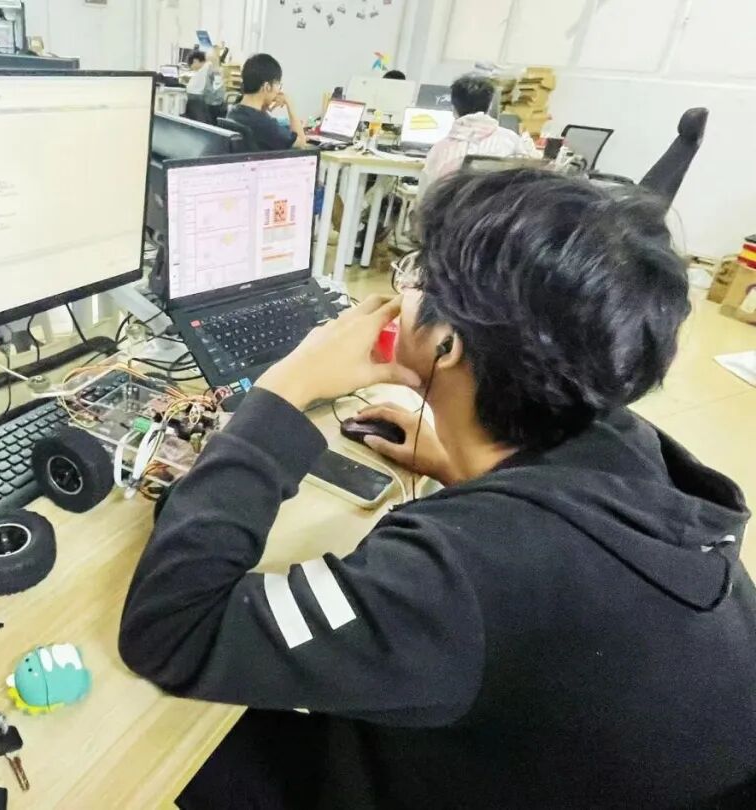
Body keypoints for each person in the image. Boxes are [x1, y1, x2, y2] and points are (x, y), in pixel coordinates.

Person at [119, 169, 756, 808]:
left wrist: (285, 389)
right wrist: (465, 470)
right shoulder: (628, 444)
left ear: (447, 343)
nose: (402, 290)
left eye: (417, 273)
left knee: (190, 748)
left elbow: (172, 631)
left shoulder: (458, 572)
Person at [420, 73, 537, 191]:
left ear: (453, 109)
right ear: (490, 106)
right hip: (495, 202)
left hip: (449, 202)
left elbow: (425, 194)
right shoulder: (510, 140)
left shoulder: (439, 150)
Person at [226, 53, 306, 150]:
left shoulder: (233, 111)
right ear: (267, 87)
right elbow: (301, 143)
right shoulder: (264, 124)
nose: (279, 91)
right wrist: (290, 104)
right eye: (278, 85)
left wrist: (263, 106)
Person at [184, 48, 224, 125]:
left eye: (191, 66)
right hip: (204, 105)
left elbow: (216, 92)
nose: (192, 69)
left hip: (202, 105)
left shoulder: (208, 67)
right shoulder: (207, 68)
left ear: (195, 61)